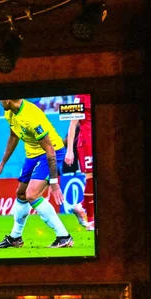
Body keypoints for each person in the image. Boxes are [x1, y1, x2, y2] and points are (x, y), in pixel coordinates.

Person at [0, 99, 75, 250]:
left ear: (8, 100)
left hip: (52, 152)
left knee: (31, 195)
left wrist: (54, 183)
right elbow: (14, 136)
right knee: (21, 194)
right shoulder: (9, 112)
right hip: (32, 155)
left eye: (1, 98)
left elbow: (50, 151)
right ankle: (15, 238)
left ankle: (64, 236)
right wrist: (2, 164)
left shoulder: (32, 116)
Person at [65, 94, 95, 231]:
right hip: (87, 142)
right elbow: (73, 123)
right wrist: (69, 150)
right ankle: (91, 220)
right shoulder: (81, 96)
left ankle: (81, 206)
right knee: (90, 177)